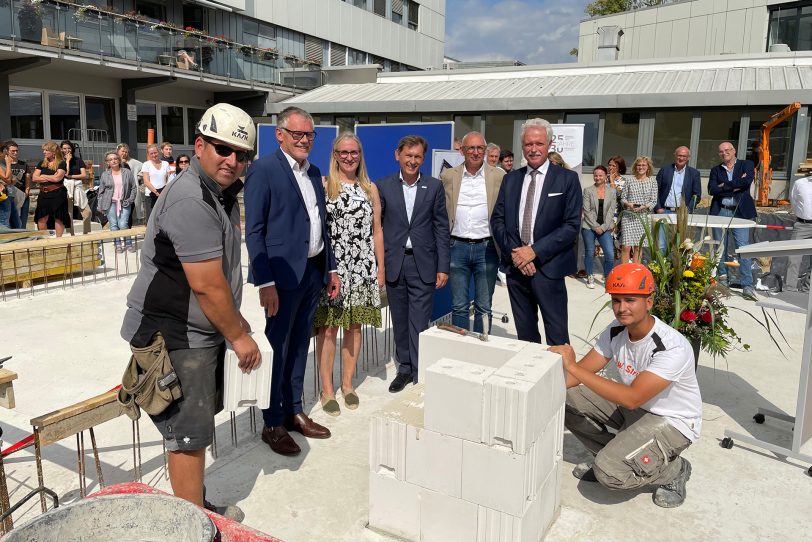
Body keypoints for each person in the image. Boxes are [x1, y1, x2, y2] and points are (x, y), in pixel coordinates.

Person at [120, 103, 260, 516]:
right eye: (222, 149)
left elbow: (217, 277)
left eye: (242, 154)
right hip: (176, 335)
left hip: (195, 330)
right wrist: (237, 335)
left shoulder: (217, 193)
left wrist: (233, 321)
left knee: (194, 430)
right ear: (200, 146)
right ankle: (192, 525)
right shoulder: (191, 199)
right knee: (189, 436)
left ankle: (194, 507)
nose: (232, 160)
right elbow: (206, 283)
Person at [550, 263, 701, 509]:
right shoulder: (616, 330)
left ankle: (674, 470)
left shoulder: (670, 347)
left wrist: (572, 366)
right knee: (563, 395)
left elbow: (632, 398)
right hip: (636, 412)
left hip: (672, 421)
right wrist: (535, 391)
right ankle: (609, 456)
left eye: (630, 300)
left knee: (610, 474)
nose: (621, 308)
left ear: (649, 301)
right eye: (616, 300)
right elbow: (582, 374)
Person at [244, 106, 340, 456]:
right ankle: (272, 422)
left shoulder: (314, 172)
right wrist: (264, 281)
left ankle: (293, 410)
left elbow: (320, 225)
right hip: (281, 279)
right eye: (297, 134)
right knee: (278, 349)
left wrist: (329, 268)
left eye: (309, 135)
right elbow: (254, 231)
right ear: (279, 134)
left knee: (301, 345)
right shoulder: (263, 170)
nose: (304, 141)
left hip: (312, 272)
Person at [491, 118, 582, 346]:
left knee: (557, 334)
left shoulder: (567, 180)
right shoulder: (511, 179)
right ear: (523, 146)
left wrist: (534, 251)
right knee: (526, 335)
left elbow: (571, 225)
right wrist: (517, 254)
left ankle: (561, 379)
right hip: (516, 269)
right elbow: (498, 220)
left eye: (539, 143)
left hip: (548, 268)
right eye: (528, 144)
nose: (533, 149)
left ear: (549, 144)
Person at [314, 134, 384, 416]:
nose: (349, 157)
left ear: (360, 154)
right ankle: (327, 388)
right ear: (334, 154)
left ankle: (347, 384)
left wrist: (381, 267)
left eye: (354, 152)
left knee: (355, 326)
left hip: (363, 268)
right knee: (328, 328)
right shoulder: (324, 185)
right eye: (343, 152)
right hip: (334, 269)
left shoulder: (370, 188)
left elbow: (377, 230)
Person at [377, 135, 450, 392]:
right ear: (398, 155)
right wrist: (380, 266)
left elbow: (442, 228)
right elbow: (377, 228)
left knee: (419, 322)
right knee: (399, 320)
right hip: (396, 264)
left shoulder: (434, 186)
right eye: (408, 155)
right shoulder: (383, 186)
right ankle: (405, 369)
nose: (412, 161)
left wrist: (443, 266)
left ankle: (420, 373)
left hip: (423, 265)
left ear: (423, 158)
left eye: (418, 156)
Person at [440, 131, 504, 333]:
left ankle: (482, 348)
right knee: (459, 306)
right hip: (456, 247)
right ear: (462, 151)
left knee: (484, 306)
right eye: (471, 148)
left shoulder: (499, 176)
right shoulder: (448, 176)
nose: (475, 153)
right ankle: (462, 351)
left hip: (487, 248)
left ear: (485, 151)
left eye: (479, 148)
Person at [709, 141, 757, 301]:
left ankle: (747, 285)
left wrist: (724, 185)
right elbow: (712, 190)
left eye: (727, 150)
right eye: (721, 151)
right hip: (720, 211)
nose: (724, 153)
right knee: (720, 247)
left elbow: (746, 182)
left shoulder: (746, 164)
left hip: (739, 213)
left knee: (743, 248)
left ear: (734, 150)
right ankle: (723, 280)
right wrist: (734, 186)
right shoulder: (716, 170)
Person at [655, 146, 702, 252]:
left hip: (682, 214)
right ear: (675, 155)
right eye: (679, 155)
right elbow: (655, 190)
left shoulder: (694, 173)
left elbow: (697, 195)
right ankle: (660, 267)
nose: (681, 158)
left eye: (684, 156)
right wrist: (658, 208)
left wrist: (686, 210)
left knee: (680, 245)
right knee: (662, 244)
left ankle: (675, 267)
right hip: (664, 211)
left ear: (688, 158)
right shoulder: (665, 170)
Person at [581, 165, 616, 288]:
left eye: (600, 175)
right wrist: (596, 226)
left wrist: (603, 227)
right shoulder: (587, 190)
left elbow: (611, 211)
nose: (598, 177)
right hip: (589, 227)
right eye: (595, 175)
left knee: (610, 254)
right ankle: (590, 275)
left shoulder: (612, 191)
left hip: (605, 227)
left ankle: (607, 277)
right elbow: (587, 211)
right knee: (590, 252)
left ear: (606, 176)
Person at [620, 156, 658, 264]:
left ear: (648, 167)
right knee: (626, 247)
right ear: (635, 167)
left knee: (638, 247)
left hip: (643, 217)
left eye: (643, 165)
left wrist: (643, 206)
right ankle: (625, 272)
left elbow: (654, 201)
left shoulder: (653, 182)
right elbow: (623, 198)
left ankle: (635, 273)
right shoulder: (629, 180)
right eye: (639, 165)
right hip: (628, 217)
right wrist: (629, 204)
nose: (641, 167)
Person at [97, 151, 137, 252]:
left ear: (119, 160)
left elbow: (133, 188)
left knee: (123, 224)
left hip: (124, 202)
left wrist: (130, 199)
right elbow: (101, 191)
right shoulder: (105, 174)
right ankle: (117, 244)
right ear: (107, 163)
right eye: (110, 160)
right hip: (110, 203)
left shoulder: (127, 172)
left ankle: (128, 243)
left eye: (115, 158)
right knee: (113, 225)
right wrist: (100, 205)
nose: (113, 161)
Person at [32, 141, 69, 237]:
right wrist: (50, 176)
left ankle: (58, 239)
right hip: (44, 194)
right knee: (41, 217)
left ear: (53, 152)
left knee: (59, 217)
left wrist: (43, 176)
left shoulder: (61, 163)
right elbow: (34, 178)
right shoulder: (42, 163)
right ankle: (44, 239)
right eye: (43, 150)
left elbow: (57, 178)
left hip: (57, 193)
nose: (44, 152)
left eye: (46, 150)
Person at [785, 174, 812, 292]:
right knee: (794, 257)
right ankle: (789, 289)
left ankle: (808, 289)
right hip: (803, 224)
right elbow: (794, 202)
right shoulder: (800, 183)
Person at [60, 140, 91, 234]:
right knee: (69, 213)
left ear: (72, 149)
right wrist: (68, 161)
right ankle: (71, 235)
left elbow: (84, 175)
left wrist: (71, 177)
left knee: (87, 212)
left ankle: (86, 234)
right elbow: (66, 173)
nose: (67, 150)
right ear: (61, 149)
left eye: (69, 148)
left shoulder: (78, 160)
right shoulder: (61, 162)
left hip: (78, 186)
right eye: (64, 148)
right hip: (66, 187)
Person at [1, 141, 30, 229]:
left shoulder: (23, 164)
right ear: (6, 151)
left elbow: (28, 178)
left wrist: (27, 191)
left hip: (22, 194)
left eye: (17, 150)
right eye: (12, 151)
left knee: (21, 221)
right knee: (8, 220)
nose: (15, 153)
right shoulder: (3, 164)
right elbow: (8, 179)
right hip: (9, 194)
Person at [142, 143, 170, 222]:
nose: (154, 155)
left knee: (163, 218)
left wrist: (164, 193)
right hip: (151, 196)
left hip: (163, 195)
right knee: (151, 219)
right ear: (148, 154)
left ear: (159, 152)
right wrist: (157, 193)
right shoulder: (146, 164)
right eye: (151, 153)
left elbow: (168, 180)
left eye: (155, 152)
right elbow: (146, 182)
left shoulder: (165, 164)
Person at [0, 142, 21, 229]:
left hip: (10, 194)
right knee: (4, 220)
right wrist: (8, 164)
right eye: (5, 150)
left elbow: (11, 179)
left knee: (16, 222)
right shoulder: (3, 164)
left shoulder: (2, 164)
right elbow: (6, 178)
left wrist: (10, 179)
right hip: (4, 195)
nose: (6, 153)